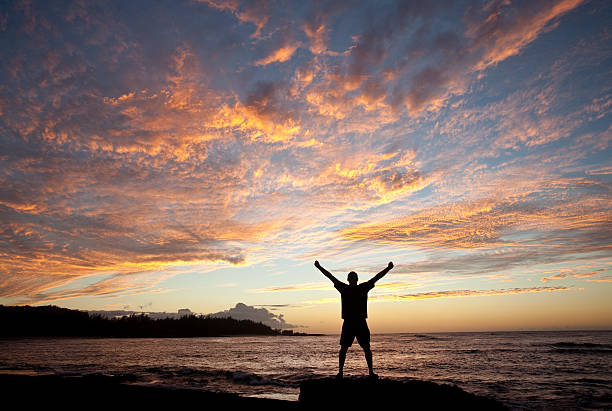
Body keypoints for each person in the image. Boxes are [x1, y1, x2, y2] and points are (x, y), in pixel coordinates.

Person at [314, 260, 394, 379]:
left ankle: (366, 372)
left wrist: (388, 269)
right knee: (349, 348)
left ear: (354, 279)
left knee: (362, 348)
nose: (352, 279)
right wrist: (319, 267)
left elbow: (377, 277)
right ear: (352, 279)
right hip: (352, 322)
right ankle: (344, 372)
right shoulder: (351, 288)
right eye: (352, 277)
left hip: (358, 322)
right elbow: (330, 276)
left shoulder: (357, 287)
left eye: (353, 277)